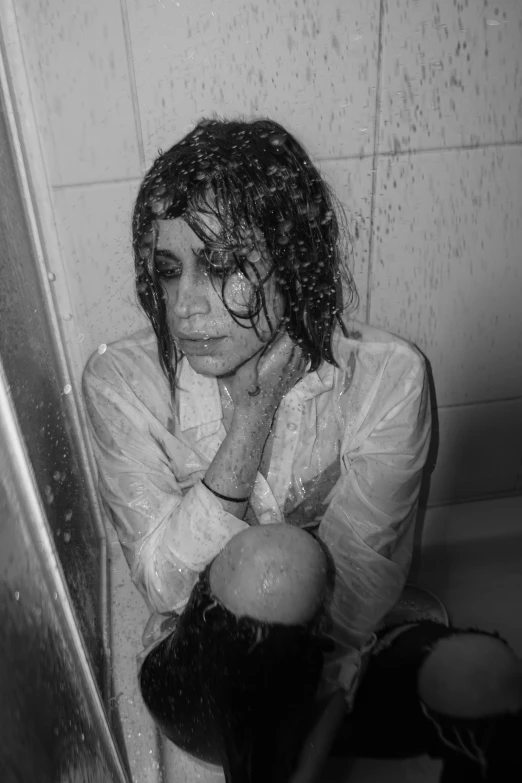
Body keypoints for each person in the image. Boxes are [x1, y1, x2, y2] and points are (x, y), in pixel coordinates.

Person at [83, 118, 522, 782]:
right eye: (168, 272)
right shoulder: (123, 381)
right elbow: (168, 585)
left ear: (291, 258)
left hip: (334, 658)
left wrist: (325, 709)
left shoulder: (386, 376)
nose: (185, 306)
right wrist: (252, 416)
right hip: (202, 672)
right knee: (276, 561)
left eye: (224, 264)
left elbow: (358, 593)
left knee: (486, 677)